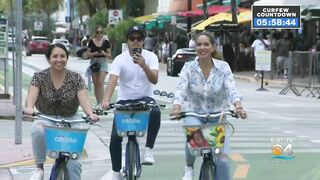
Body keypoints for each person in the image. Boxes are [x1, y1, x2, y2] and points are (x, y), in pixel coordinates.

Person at [169, 32, 247, 180]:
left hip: (218, 116)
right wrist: (177, 108)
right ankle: (189, 167)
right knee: (192, 134)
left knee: (222, 160)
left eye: (206, 44)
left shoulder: (223, 67)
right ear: (195, 48)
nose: (202, 48)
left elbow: (232, 90)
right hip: (195, 114)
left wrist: (238, 107)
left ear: (213, 47)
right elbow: (181, 89)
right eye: (199, 44)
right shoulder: (188, 67)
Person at [23, 43, 99, 180]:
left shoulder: (76, 78)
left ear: (67, 58)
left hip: (71, 119)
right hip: (46, 117)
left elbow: (84, 99)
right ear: (48, 59)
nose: (59, 59)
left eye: (62, 56)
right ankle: (39, 167)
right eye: (55, 56)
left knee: (74, 164)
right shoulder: (39, 76)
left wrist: (90, 114)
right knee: (37, 130)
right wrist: (29, 107)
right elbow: (31, 96)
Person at [101, 25, 161, 180]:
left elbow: (154, 79)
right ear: (127, 41)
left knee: (156, 111)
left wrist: (143, 65)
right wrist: (106, 100)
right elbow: (112, 81)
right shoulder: (120, 59)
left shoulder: (151, 57)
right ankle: (116, 171)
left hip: (145, 99)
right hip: (124, 102)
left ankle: (148, 149)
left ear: (143, 41)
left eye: (139, 39)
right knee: (115, 137)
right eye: (132, 38)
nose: (135, 42)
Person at [86, 26, 112, 109]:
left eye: (101, 32)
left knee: (100, 82)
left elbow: (109, 56)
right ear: (95, 33)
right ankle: (98, 103)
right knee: (96, 83)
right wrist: (95, 53)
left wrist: (104, 53)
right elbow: (87, 54)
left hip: (103, 62)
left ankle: (102, 102)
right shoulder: (91, 42)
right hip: (94, 62)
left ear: (102, 33)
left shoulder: (106, 42)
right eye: (97, 32)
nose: (99, 34)